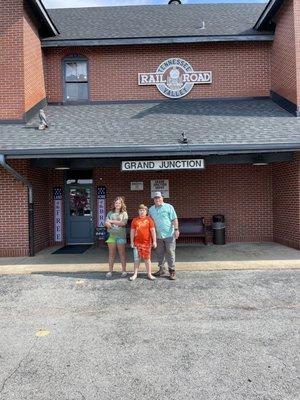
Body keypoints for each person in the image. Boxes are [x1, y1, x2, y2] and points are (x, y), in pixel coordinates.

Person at [148, 192, 179, 280]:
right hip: (157, 236)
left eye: (159, 197)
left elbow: (174, 219)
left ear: (162, 198)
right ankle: (161, 269)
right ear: (153, 199)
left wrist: (176, 229)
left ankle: (172, 271)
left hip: (169, 234)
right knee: (159, 253)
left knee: (170, 252)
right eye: (155, 198)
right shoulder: (151, 209)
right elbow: (149, 222)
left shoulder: (169, 207)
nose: (157, 199)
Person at [129, 204, 157, 281]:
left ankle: (149, 274)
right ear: (138, 211)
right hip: (136, 244)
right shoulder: (135, 220)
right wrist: (131, 241)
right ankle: (135, 274)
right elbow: (132, 231)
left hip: (147, 243)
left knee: (147, 259)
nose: (142, 212)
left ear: (146, 212)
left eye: (144, 210)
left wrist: (154, 241)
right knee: (136, 259)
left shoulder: (149, 220)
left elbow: (153, 231)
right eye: (140, 210)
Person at [105, 196, 128, 278]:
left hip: (121, 236)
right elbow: (106, 223)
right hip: (111, 236)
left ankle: (124, 271)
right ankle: (110, 271)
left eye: (119, 203)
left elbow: (123, 223)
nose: (117, 204)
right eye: (116, 203)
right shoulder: (110, 213)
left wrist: (111, 221)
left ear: (122, 204)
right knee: (111, 254)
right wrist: (108, 224)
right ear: (114, 204)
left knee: (122, 254)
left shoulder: (124, 213)